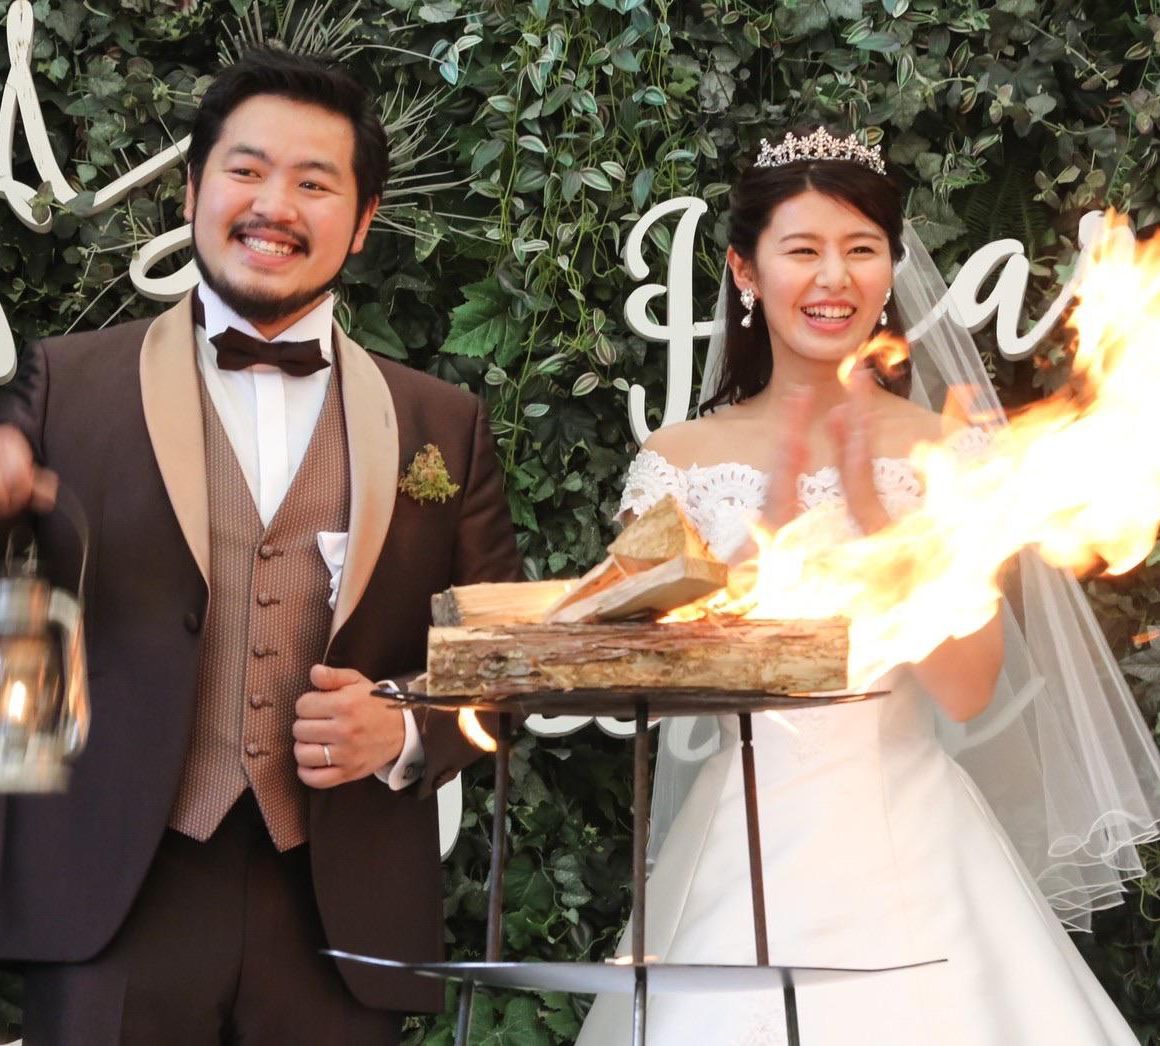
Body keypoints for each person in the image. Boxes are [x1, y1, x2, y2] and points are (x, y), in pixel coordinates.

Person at [577, 128, 1160, 1044]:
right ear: (745, 269)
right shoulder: (679, 462)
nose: (833, 278)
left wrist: (875, 514)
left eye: (860, 249)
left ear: (891, 269)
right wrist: (768, 536)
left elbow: (967, 690)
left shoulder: (948, 453)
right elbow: (651, 672)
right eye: (802, 250)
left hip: (912, 842)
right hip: (741, 843)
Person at [0, 48, 520, 1044]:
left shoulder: (441, 425)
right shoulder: (61, 384)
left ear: (362, 221)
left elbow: (506, 665)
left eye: (314, 182)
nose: (273, 204)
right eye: (245, 170)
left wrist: (405, 726)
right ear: (193, 190)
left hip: (341, 916)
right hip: (113, 900)